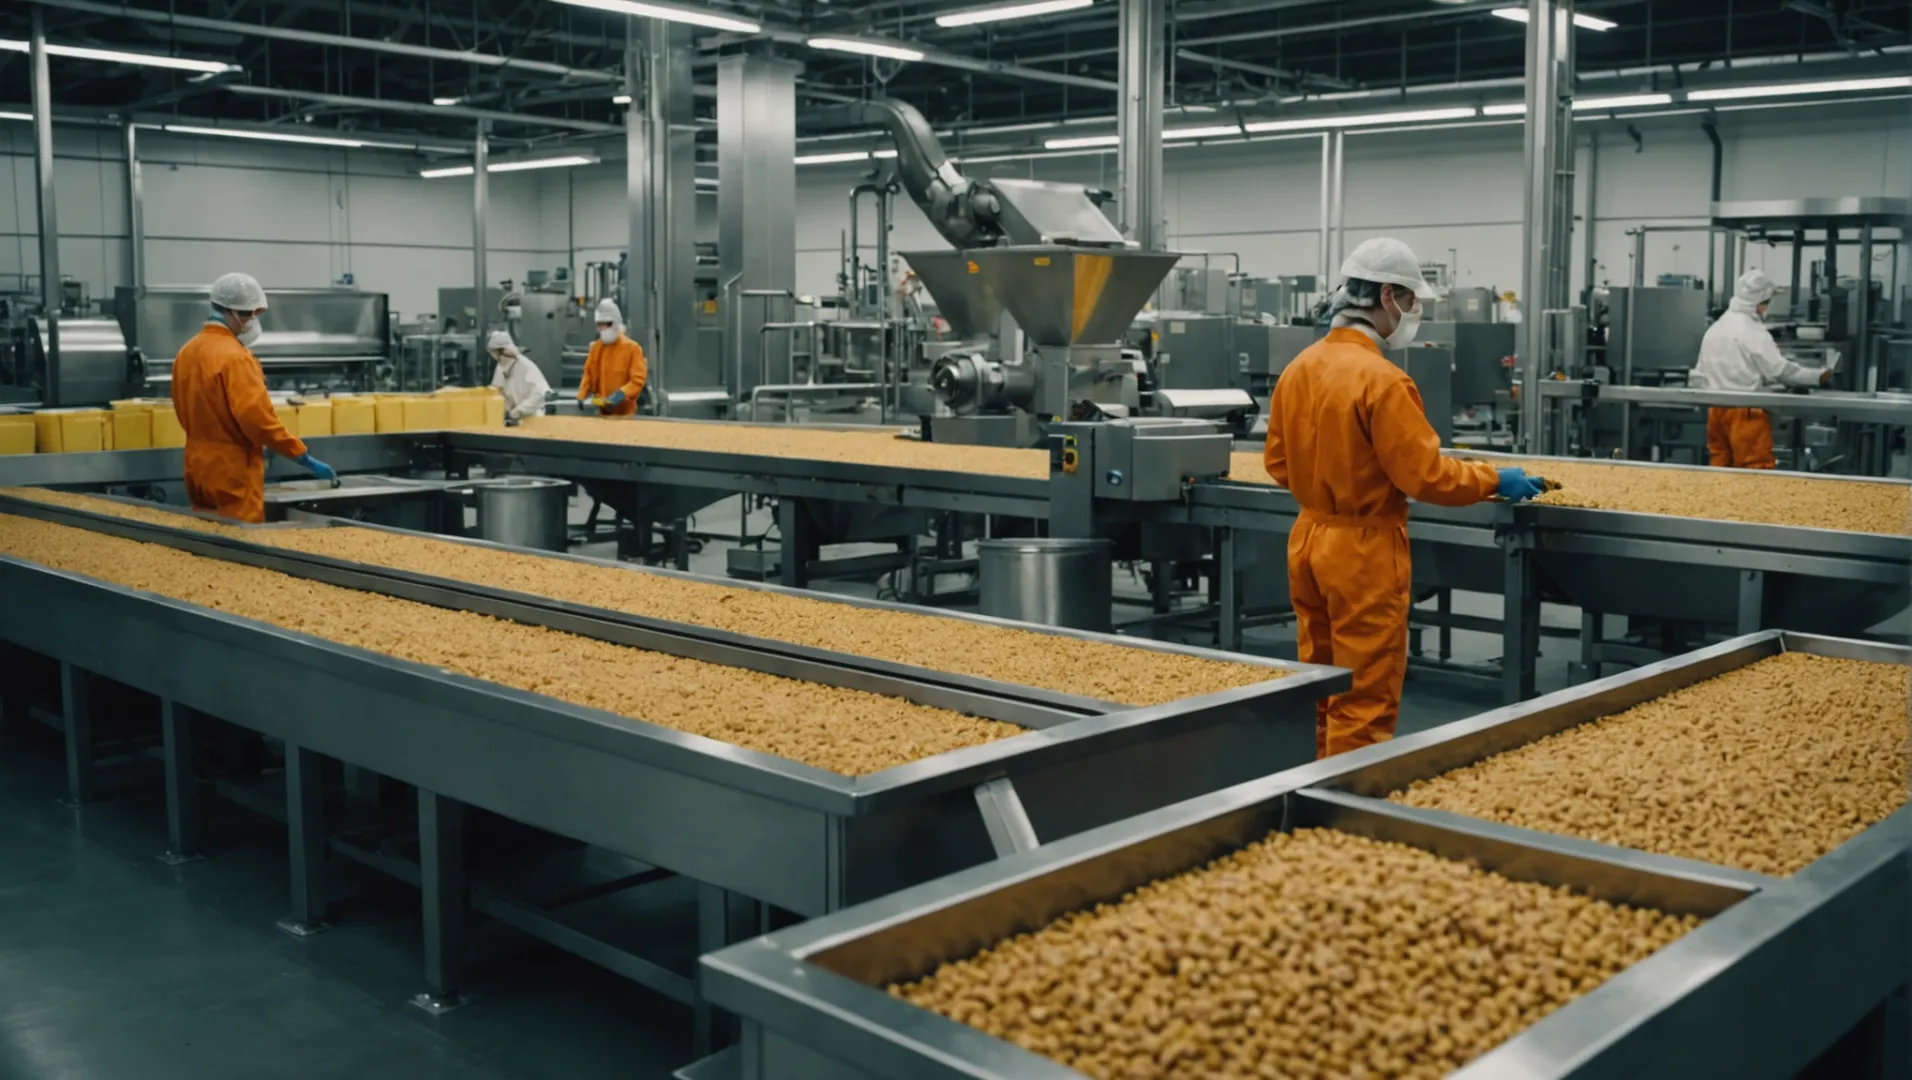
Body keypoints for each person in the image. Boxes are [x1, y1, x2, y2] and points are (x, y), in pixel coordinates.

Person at [1264, 238, 1547, 759]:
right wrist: (1491, 479)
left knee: (1318, 679)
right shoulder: (1384, 380)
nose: (1414, 313)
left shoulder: (1299, 367)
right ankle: (1347, 795)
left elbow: (1278, 464)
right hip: (1363, 550)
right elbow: (1427, 477)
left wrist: (1331, 484)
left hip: (1307, 540)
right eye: (1412, 301)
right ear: (1388, 296)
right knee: (1364, 691)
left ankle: (1305, 784)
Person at [171, 273, 335, 523]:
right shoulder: (236, 358)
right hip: (232, 471)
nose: (252, 322)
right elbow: (257, 420)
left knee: (205, 538)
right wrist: (300, 455)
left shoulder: (187, 352)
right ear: (235, 313)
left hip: (197, 466)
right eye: (250, 315)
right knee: (239, 546)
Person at [1692, 269, 1833, 470]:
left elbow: (1703, 371)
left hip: (1716, 410)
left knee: (1720, 467)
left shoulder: (1717, 328)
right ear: (1760, 303)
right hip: (1745, 412)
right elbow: (1781, 370)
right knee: (1755, 472)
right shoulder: (1751, 330)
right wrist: (1818, 376)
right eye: (1766, 303)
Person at [577, 298, 646, 416]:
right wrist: (582, 394)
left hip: (626, 414)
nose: (603, 329)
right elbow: (588, 374)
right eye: (600, 325)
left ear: (616, 323)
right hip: (601, 414)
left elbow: (637, 381)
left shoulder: (632, 349)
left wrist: (621, 394)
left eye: (607, 324)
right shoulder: (596, 349)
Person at [486, 329, 551, 425]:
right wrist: (506, 408)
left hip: (532, 419)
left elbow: (539, 394)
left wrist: (518, 411)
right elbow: (497, 390)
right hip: (512, 421)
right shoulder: (501, 367)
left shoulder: (526, 366)